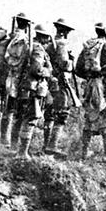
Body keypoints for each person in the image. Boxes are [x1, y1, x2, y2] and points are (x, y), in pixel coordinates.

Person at [75, 22, 106, 162]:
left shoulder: (88, 46)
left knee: (90, 117)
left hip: (90, 86)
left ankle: (83, 152)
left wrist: (91, 77)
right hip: (104, 87)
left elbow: (78, 69)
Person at [15, 24, 52, 159]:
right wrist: (48, 72)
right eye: (47, 38)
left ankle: (18, 150)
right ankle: (22, 152)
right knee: (31, 119)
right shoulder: (38, 49)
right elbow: (36, 69)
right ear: (44, 37)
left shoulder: (28, 45)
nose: (48, 41)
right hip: (33, 88)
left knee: (23, 117)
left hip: (25, 87)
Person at [43, 18, 80, 157]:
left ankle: (46, 145)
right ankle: (52, 145)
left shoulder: (49, 44)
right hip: (61, 83)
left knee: (50, 114)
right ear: (65, 32)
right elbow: (65, 65)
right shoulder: (62, 43)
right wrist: (71, 59)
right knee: (62, 114)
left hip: (51, 82)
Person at [3, 12, 32, 149]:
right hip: (18, 78)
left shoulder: (11, 37)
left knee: (9, 108)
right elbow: (20, 58)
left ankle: (5, 138)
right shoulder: (23, 39)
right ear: (26, 25)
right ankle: (12, 142)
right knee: (17, 110)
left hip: (10, 75)